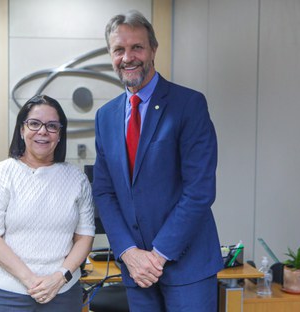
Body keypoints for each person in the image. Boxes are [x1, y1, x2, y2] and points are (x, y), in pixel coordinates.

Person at [92, 10, 224, 311]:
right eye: (119, 50)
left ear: (153, 49)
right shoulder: (105, 117)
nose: (128, 57)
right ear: (111, 55)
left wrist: (158, 255)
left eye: (137, 47)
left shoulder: (189, 105)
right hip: (135, 269)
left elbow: (199, 190)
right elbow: (104, 191)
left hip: (187, 265)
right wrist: (128, 253)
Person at [0, 94, 95, 312]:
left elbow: (85, 237)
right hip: (6, 294)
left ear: (60, 134)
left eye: (52, 126)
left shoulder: (77, 179)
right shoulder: (2, 173)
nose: (43, 131)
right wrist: (30, 280)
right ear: (22, 130)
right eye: (34, 123)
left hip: (63, 292)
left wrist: (59, 277)